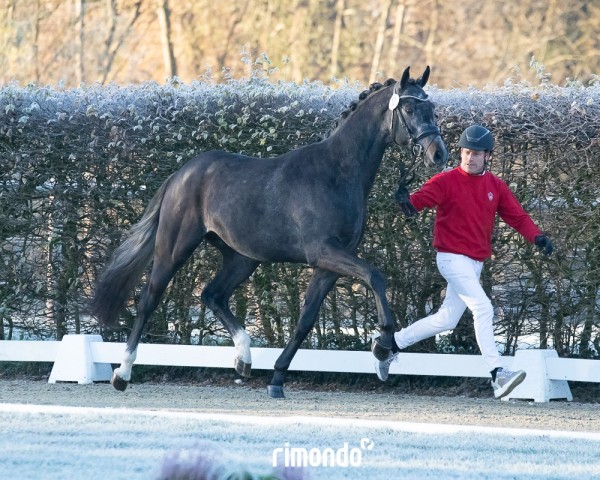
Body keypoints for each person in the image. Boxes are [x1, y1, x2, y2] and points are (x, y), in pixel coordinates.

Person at [376, 124, 554, 399]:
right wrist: (404, 203)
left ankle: (391, 344)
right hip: (450, 258)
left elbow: (517, 217)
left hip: (474, 264)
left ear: (488, 157)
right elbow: (418, 203)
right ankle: (498, 374)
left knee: (446, 320)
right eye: (466, 152)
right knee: (483, 308)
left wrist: (537, 237)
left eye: (476, 154)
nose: (470, 158)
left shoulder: (495, 185)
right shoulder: (445, 181)